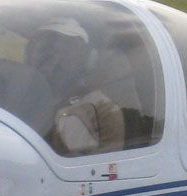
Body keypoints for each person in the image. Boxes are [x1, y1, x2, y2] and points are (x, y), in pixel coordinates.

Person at [25, 18, 125, 155]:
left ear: (87, 60)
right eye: (46, 52)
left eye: (66, 52)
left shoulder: (101, 109)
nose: (54, 61)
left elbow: (105, 164)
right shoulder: (15, 96)